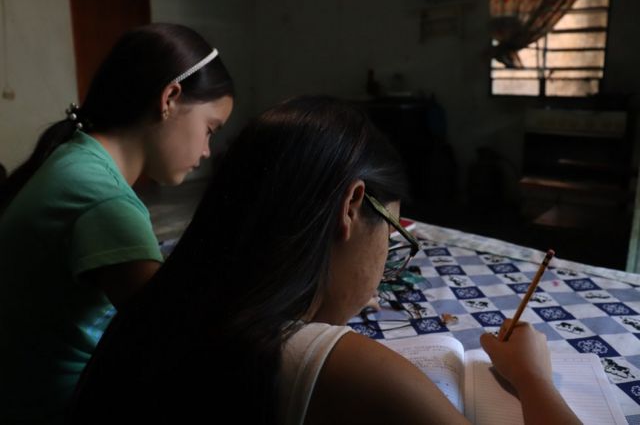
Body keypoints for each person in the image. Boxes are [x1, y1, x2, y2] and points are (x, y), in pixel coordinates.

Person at [70, 96, 579, 424]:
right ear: (352, 207)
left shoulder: (155, 307)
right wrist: (533, 378)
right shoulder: (325, 362)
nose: (383, 271)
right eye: (392, 240)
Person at [0, 23, 234, 423]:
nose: (207, 150)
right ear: (170, 99)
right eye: (209, 129)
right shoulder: (102, 198)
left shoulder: (76, 159)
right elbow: (176, 337)